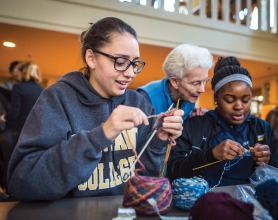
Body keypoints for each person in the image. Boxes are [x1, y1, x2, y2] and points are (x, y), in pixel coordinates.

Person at [7, 17, 184, 201]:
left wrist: (159, 140)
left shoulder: (138, 103)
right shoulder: (59, 98)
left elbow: (144, 180)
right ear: (91, 58)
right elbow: (23, 182)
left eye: (135, 63)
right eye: (121, 61)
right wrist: (101, 136)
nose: (131, 73)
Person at [167, 56, 278, 187]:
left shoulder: (262, 128)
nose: (239, 106)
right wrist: (211, 155)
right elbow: (173, 170)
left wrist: (268, 160)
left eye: (246, 99)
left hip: (254, 202)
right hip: (205, 202)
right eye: (230, 100)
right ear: (216, 98)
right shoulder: (194, 126)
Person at [137, 43, 214, 120]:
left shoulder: (188, 97)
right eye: (195, 83)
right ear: (175, 82)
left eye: (204, 81)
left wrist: (193, 116)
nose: (202, 89)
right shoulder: (145, 98)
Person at [0, 61, 44, 194]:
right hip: (37, 131)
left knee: (10, 160)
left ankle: (10, 191)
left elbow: (14, 113)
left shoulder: (18, 87)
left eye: (18, 71)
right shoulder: (41, 89)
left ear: (24, 72)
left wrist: (3, 118)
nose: (16, 74)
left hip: (19, 132)